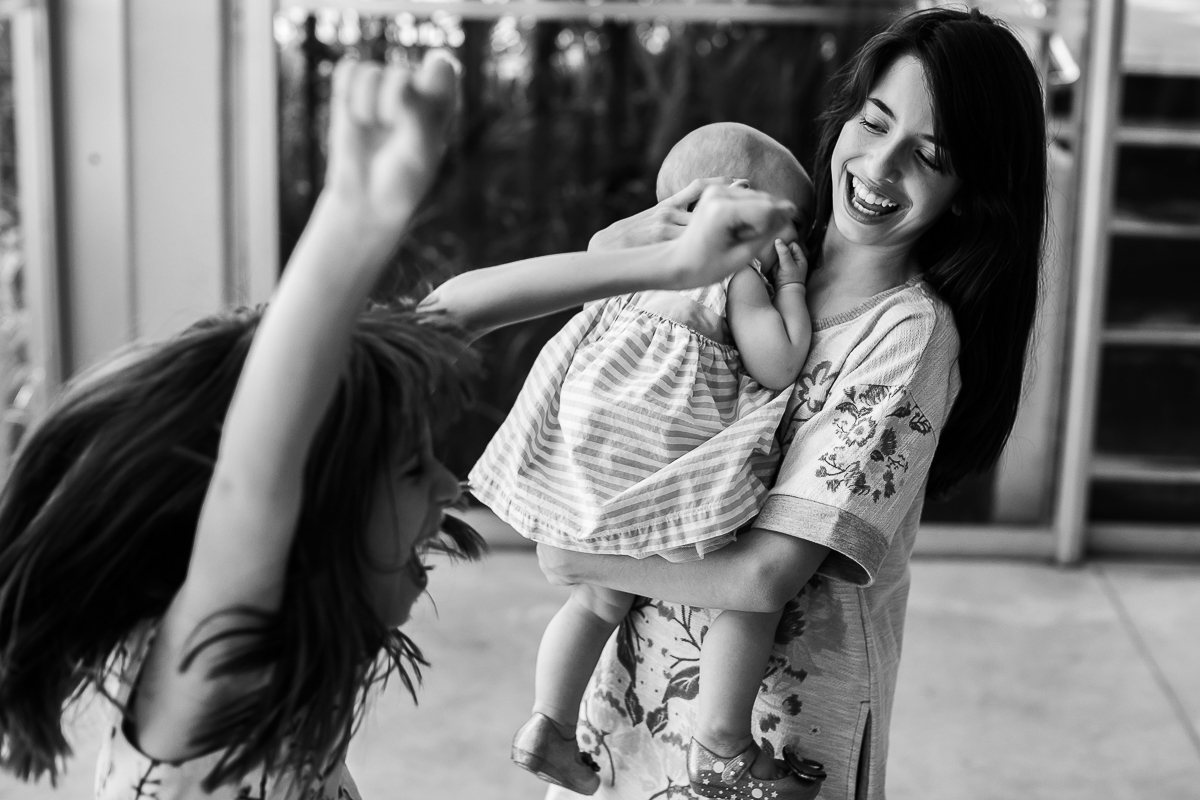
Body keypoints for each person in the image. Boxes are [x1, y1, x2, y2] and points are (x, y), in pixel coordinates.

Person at [0, 55, 798, 799]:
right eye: (413, 468)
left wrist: (657, 267)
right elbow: (255, 469)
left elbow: (456, 311)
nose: (449, 485)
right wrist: (358, 210)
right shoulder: (212, 678)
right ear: (308, 509)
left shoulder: (293, 641)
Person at [535, 8, 1047, 800]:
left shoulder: (909, 336)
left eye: (929, 155)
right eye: (872, 122)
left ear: (972, 189)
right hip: (636, 693)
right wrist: (668, 224)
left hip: (768, 742)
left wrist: (576, 556)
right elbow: (610, 270)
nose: (879, 166)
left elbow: (767, 579)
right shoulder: (770, 245)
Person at [441, 122, 824, 799]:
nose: (794, 244)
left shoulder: (628, 272)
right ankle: (724, 745)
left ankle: (550, 724)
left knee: (597, 595)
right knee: (744, 596)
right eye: (787, 223)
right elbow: (778, 362)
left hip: (588, 451)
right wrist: (791, 292)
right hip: (659, 458)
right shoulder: (733, 272)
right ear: (732, 204)